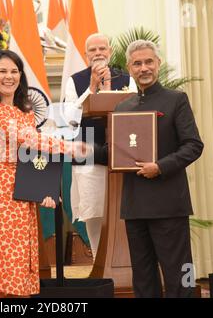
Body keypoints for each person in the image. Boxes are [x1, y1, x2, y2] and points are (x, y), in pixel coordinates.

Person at [0, 49, 89, 298]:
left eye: (14, 71)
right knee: (0, 264)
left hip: (23, 190)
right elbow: (27, 139)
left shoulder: (25, 112)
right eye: (2, 71)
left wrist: (45, 191)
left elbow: (34, 157)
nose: (9, 77)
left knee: (21, 261)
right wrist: (68, 147)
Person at [116, 39, 204, 297]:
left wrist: (160, 167)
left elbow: (193, 145)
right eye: (137, 63)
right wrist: (82, 150)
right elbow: (116, 152)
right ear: (129, 68)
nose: (144, 68)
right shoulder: (123, 107)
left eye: (148, 62)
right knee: (143, 279)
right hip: (134, 206)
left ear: (158, 64)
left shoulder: (177, 100)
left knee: (181, 276)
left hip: (169, 205)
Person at [63, 33, 137, 260]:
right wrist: (92, 88)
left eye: (102, 48)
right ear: (86, 55)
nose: (98, 53)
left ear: (110, 52)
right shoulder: (75, 81)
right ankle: (98, 261)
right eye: (92, 50)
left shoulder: (127, 78)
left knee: (122, 212)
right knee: (94, 212)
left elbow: (135, 110)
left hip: (121, 154)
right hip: (89, 156)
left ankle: (124, 263)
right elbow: (69, 117)